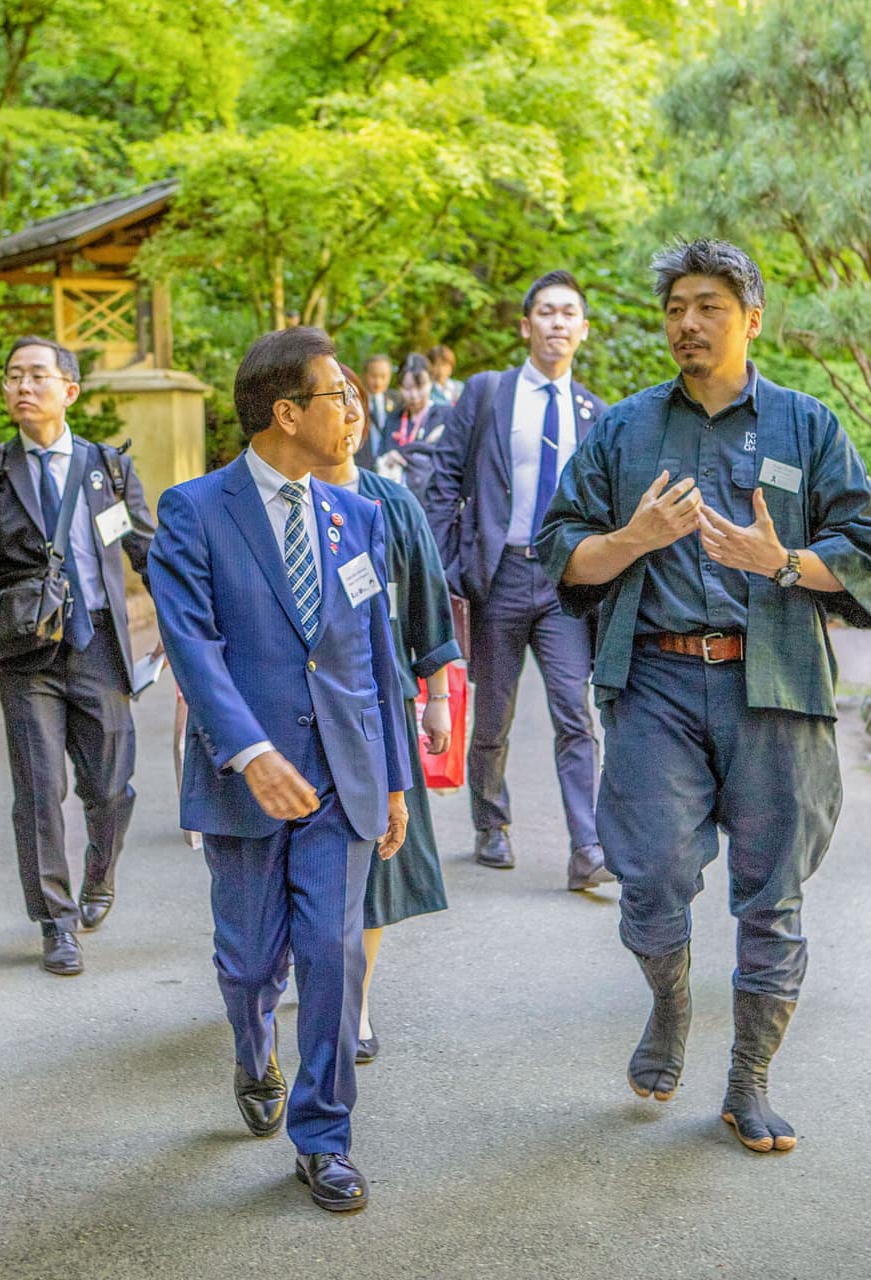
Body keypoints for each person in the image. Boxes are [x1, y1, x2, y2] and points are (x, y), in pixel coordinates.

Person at [537, 239, 871, 1153]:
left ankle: (749, 1080)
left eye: (709, 306)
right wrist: (632, 538)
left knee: (771, 891)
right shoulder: (623, 429)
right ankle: (668, 1001)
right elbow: (561, 550)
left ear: (752, 319)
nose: (688, 324)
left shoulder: (807, 425)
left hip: (773, 683)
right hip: (653, 677)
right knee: (651, 874)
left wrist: (778, 560)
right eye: (674, 309)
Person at [148, 326, 411, 1213]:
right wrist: (250, 750)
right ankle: (251, 1046)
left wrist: (398, 776)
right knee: (251, 960)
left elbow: (379, 658)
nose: (354, 412)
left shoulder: (358, 514)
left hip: (343, 777)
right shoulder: (193, 510)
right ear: (288, 412)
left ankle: (325, 1138)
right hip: (245, 779)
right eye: (339, 396)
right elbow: (191, 643)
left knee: (334, 957)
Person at [0, 337, 157, 976]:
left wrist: (186, 631)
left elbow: (148, 554)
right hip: (27, 653)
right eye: (12, 378)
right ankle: (56, 924)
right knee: (38, 790)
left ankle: (99, 873)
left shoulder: (108, 469)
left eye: (36, 376)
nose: (22, 388)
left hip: (101, 647)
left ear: (70, 391)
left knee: (111, 787)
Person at [422, 269, 611, 890]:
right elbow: (443, 480)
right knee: (494, 717)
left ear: (583, 330)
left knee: (574, 714)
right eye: (546, 313)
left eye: (569, 314)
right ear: (525, 325)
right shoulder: (486, 393)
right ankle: (490, 821)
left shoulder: (595, 414)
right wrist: (449, 567)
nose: (557, 323)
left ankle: (587, 844)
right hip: (498, 579)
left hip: (563, 586)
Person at [315, 360, 461, 1066]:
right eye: (330, 401)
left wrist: (435, 697)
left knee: (379, 858)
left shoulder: (391, 502)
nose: (346, 415)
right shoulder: (277, 504)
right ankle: (314, 972)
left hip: (384, 703)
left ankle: (357, 998)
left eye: (353, 402)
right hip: (302, 712)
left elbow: (429, 604)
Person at [375, 352, 452, 505]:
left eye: (420, 387)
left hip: (432, 503)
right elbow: (380, 455)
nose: (414, 395)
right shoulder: (394, 418)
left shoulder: (445, 416)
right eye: (408, 388)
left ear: (431, 381)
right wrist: (387, 458)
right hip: (396, 501)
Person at [354, 353, 396, 470]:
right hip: (362, 465)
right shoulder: (355, 401)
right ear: (364, 375)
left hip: (389, 466)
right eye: (373, 376)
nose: (378, 382)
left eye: (383, 376)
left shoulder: (397, 400)